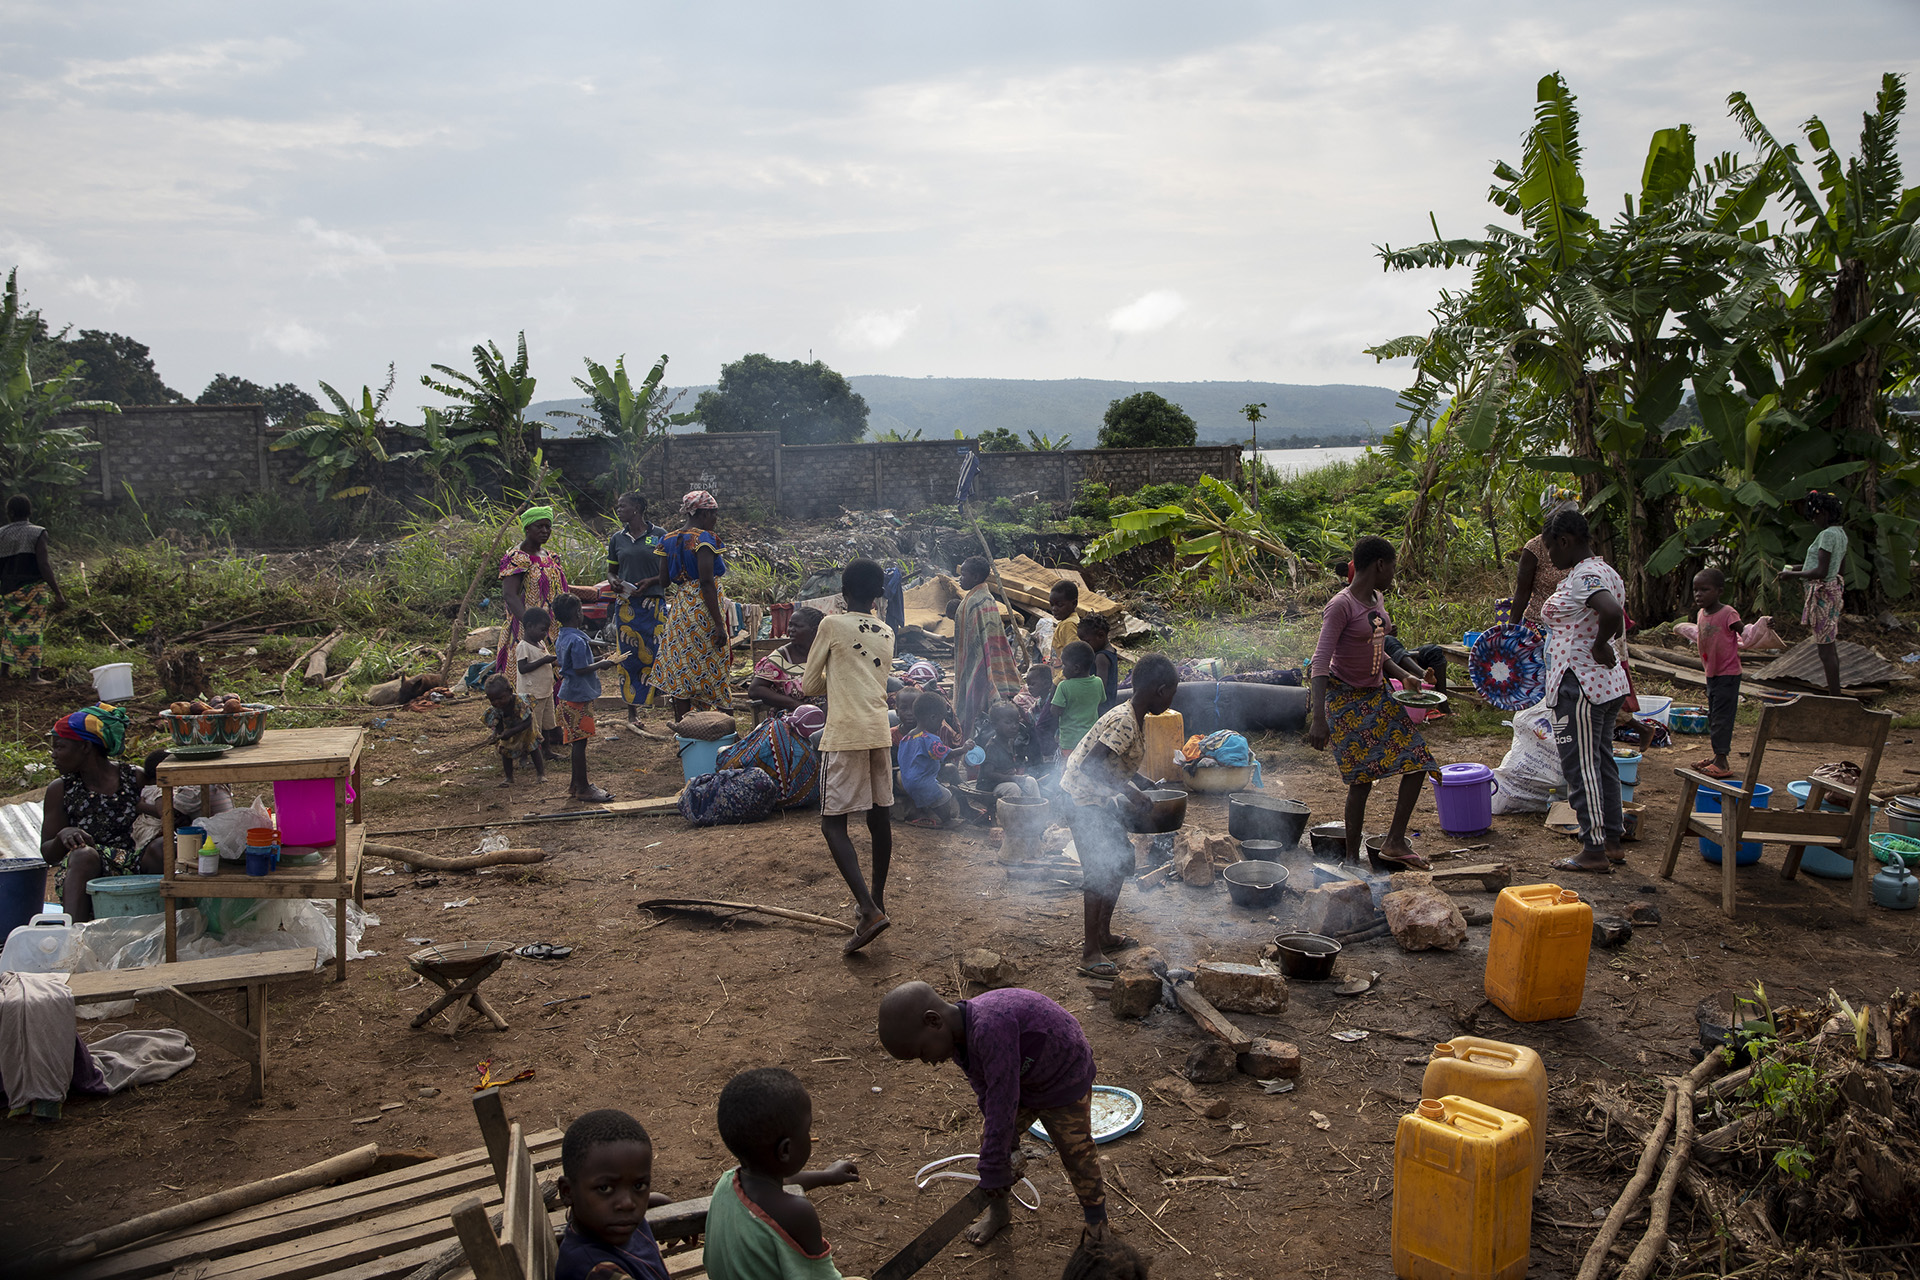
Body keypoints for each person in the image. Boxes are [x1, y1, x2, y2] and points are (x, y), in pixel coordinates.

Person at [877, 981, 1108, 1249]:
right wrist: (1002, 1150)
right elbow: (988, 1093)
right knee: (993, 1141)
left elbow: (1003, 1096)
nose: (926, 1062)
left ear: (933, 1021)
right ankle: (999, 1212)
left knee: (1076, 1152)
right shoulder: (959, 1040)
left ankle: (1097, 1225)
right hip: (1023, 1080)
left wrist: (994, 1166)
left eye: (921, 1053)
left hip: (1063, 1076)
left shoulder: (989, 1028)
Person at [1306, 536, 1437, 871]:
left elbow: (1378, 649)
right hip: (1344, 699)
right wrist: (1318, 718)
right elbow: (1320, 664)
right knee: (1360, 780)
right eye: (1392, 566)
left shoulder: (1377, 599)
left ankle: (1394, 841)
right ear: (1380, 565)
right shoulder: (1342, 605)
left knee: (1418, 761)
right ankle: (1351, 860)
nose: (1394, 573)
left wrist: (1405, 676)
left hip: (1376, 695)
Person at [1057, 653, 1179, 978]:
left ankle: (1103, 935)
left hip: (1094, 798)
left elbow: (1116, 761)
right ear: (1160, 689)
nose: (1171, 700)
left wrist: (1142, 782)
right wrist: (1130, 792)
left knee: (1122, 859)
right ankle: (1089, 952)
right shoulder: (1126, 720)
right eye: (1172, 693)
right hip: (1081, 800)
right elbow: (1091, 765)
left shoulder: (1134, 717)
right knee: (1099, 871)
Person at [803, 559, 896, 954]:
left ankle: (867, 909)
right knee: (879, 818)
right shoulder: (888, 631)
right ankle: (877, 900)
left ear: (842, 592)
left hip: (844, 735)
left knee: (832, 825)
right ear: (878, 594)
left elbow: (808, 686)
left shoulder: (831, 624)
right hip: (878, 731)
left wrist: (834, 674)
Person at [1538, 508, 1630, 873]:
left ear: (1565, 541)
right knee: (1602, 761)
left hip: (1581, 685)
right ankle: (1611, 840)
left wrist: (1599, 645)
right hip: (1605, 685)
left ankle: (1592, 849)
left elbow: (1610, 612)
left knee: (1580, 766)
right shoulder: (1604, 570)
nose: (1550, 557)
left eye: (1550, 549)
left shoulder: (1586, 576)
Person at [705, 1068, 863, 1280]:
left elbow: (779, 1182)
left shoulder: (727, 1182)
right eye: (807, 1130)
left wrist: (826, 1176)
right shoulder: (798, 1213)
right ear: (785, 1150)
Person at [39, 705, 161, 921]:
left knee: (163, 847)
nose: (53, 755)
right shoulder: (61, 789)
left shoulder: (134, 778)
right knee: (83, 854)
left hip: (137, 861)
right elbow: (48, 854)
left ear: (85, 747)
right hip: (89, 868)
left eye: (59, 747)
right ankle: (74, 936)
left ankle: (170, 923)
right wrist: (63, 835)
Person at [555, 1108, 672, 1280]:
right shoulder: (596, 1270)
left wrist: (661, 1202)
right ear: (567, 1192)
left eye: (639, 1186)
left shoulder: (612, 1222)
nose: (627, 1203)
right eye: (605, 1189)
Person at [653, 490, 731, 717]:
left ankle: (684, 732)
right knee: (714, 664)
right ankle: (724, 724)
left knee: (683, 667)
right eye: (714, 514)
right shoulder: (705, 539)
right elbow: (706, 582)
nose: (715, 519)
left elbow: (664, 580)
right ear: (703, 513)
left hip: (680, 609)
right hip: (704, 609)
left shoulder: (666, 539)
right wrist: (718, 624)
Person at [607, 492, 669, 724]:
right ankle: (632, 712)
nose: (618, 508)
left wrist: (650, 582)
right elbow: (612, 569)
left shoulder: (660, 535)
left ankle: (661, 699)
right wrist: (613, 580)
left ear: (637, 508)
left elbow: (668, 573)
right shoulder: (617, 539)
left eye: (623, 505)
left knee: (657, 653)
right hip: (626, 606)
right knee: (629, 657)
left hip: (652, 605)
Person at [1778, 490, 1847, 696]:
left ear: (1824, 513)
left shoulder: (1826, 535)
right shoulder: (1840, 534)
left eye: (1815, 515)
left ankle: (1835, 697)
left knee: (1825, 650)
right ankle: (1835, 694)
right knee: (1829, 645)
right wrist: (1795, 568)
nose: (1814, 520)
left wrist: (1792, 576)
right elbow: (1836, 569)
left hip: (1822, 596)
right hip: (1834, 591)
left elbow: (1820, 571)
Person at [554, 594, 618, 803]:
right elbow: (581, 668)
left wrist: (602, 658)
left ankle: (575, 784)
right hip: (577, 697)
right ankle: (583, 787)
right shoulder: (578, 640)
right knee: (580, 743)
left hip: (568, 695)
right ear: (577, 614)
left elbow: (576, 663)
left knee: (577, 742)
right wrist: (602, 665)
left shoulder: (564, 636)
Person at [496, 506, 572, 678]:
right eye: (539, 526)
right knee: (529, 675)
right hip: (528, 626)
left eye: (548, 526)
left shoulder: (551, 557)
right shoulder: (518, 558)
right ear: (527, 528)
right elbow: (509, 594)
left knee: (552, 673)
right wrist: (530, 625)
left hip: (552, 627)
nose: (545, 531)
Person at [953, 556, 1022, 741]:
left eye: (964, 574)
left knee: (977, 717)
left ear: (975, 577)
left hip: (979, 668)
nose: (960, 578)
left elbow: (978, 641)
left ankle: (978, 758)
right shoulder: (986, 598)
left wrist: (979, 669)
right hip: (986, 665)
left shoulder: (975, 602)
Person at [0, 495, 65, 683]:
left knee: (10, 628)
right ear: (30, 512)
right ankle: (34, 676)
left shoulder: (1, 533)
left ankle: (4, 671)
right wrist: (57, 592)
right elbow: (43, 565)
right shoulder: (38, 533)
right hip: (33, 589)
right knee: (34, 629)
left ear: (10, 513)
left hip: (8, 589)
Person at [1693, 567, 1747, 779]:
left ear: (1719, 591)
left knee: (1722, 718)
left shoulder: (1728, 613)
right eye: (1695, 590)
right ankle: (1717, 757)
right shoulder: (1701, 614)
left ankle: (1722, 762)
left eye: (1704, 590)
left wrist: (1764, 627)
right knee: (1714, 716)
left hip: (1728, 674)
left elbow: (1747, 633)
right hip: (1712, 674)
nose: (1698, 594)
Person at [1511, 487, 1579, 629]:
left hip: (1574, 626)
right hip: (1540, 624)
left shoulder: (1579, 546)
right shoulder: (1534, 548)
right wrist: (1509, 630)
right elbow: (1522, 592)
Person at [897, 691, 959, 828]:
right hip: (923, 782)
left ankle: (923, 812)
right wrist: (964, 749)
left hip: (908, 781)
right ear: (933, 717)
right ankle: (947, 821)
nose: (941, 724)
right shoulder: (929, 738)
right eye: (941, 720)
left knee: (934, 793)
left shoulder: (907, 737)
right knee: (945, 795)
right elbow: (945, 754)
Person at [750, 607, 824, 712]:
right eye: (790, 625)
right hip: (792, 719)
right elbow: (755, 690)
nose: (791, 630)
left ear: (814, 630)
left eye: (798, 626)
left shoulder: (827, 653)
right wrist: (797, 705)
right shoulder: (782, 657)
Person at [516, 606, 562, 761]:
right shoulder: (523, 646)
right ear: (529, 626)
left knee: (547, 724)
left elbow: (550, 662)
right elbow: (522, 668)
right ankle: (525, 756)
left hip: (545, 691)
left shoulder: (540, 643)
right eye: (542, 630)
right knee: (531, 727)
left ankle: (547, 751)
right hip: (532, 694)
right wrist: (544, 660)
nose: (545, 633)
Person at [483, 673, 544, 787]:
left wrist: (511, 732)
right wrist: (497, 735)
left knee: (532, 746)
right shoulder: (496, 708)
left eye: (500, 698)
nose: (497, 702)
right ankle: (509, 777)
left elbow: (527, 721)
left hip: (526, 724)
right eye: (493, 700)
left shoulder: (520, 703)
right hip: (510, 725)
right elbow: (498, 723)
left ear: (510, 692)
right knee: (505, 750)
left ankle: (541, 774)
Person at [979, 701, 1044, 797]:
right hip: (990, 786)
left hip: (1007, 781)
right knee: (1013, 788)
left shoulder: (1011, 743)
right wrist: (1011, 778)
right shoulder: (992, 747)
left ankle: (1035, 810)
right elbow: (988, 773)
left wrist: (1014, 774)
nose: (1014, 726)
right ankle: (1013, 811)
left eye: (1016, 722)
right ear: (994, 725)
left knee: (1030, 781)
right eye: (1008, 722)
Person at [1052, 643, 1105, 755]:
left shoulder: (1064, 686)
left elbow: (1055, 711)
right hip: (1091, 739)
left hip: (1070, 742)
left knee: (1068, 769)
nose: (1062, 668)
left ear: (1076, 668)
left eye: (1064, 665)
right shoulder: (1098, 682)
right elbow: (1100, 701)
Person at [1016, 665, 1061, 758]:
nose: (1029, 688)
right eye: (1028, 685)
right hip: (1044, 744)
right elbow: (1029, 718)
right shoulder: (1038, 703)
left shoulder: (1053, 700)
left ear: (1046, 683)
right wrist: (1017, 708)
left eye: (1033, 684)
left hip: (1055, 743)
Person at [1079, 615, 1120, 712]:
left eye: (1087, 641)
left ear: (1101, 636)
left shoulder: (1101, 657)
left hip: (1100, 708)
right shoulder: (1111, 651)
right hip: (1109, 703)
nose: (1084, 645)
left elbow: (1100, 687)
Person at [1047, 581, 1081, 668]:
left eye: (1060, 605)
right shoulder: (1065, 622)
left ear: (1074, 603)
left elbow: (1073, 657)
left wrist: (1057, 681)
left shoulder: (1069, 625)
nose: (1054, 609)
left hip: (1065, 678)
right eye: (1052, 605)